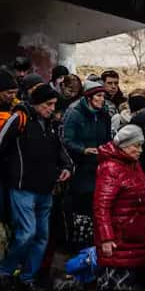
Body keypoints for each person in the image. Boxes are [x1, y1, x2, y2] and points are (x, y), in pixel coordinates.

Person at [0, 84, 73, 291]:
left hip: (46, 189)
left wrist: (67, 167)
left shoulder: (50, 124)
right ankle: (5, 271)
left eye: (53, 104)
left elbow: (60, 150)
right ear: (37, 103)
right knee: (27, 233)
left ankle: (28, 277)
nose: (52, 108)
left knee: (41, 236)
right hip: (22, 188)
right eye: (48, 104)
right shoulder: (19, 119)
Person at [93, 124, 145, 291]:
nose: (140, 150)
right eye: (136, 146)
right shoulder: (112, 168)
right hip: (119, 235)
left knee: (124, 279)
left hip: (133, 232)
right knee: (117, 279)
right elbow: (102, 206)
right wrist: (107, 238)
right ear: (125, 146)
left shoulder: (132, 164)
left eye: (141, 146)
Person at [63, 79, 113, 250]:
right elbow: (67, 140)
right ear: (90, 97)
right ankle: (77, 244)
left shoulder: (104, 113)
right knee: (81, 206)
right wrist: (83, 150)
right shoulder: (74, 113)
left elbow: (108, 138)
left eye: (103, 96)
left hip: (99, 166)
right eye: (99, 96)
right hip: (80, 167)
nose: (102, 99)